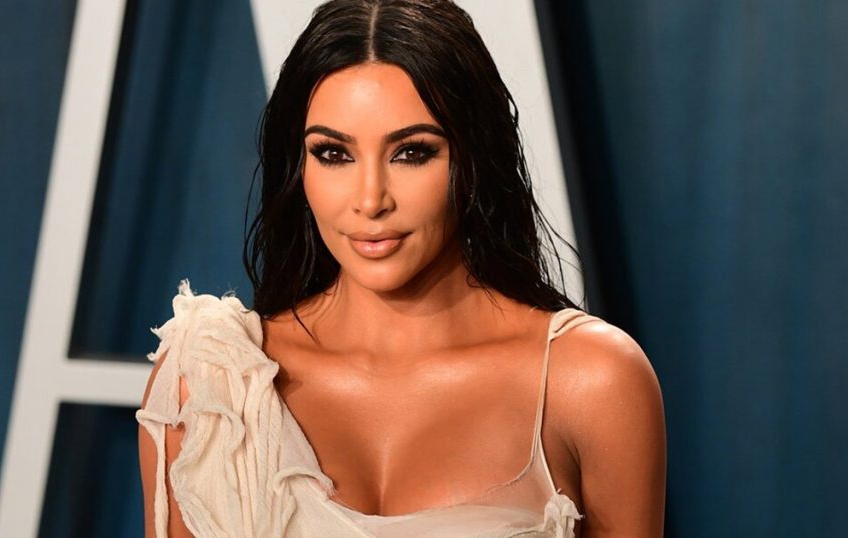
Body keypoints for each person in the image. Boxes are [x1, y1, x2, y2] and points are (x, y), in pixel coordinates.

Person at [136, 0, 666, 536]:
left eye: (411, 152)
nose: (370, 200)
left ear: (474, 158)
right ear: (298, 165)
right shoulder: (207, 388)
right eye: (333, 154)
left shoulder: (590, 382)